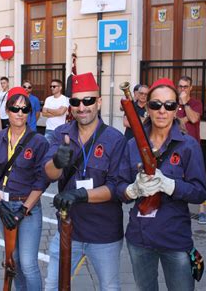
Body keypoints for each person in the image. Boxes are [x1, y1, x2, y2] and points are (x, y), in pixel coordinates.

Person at [117, 77, 206, 291]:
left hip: (174, 238)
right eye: (156, 104)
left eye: (170, 105)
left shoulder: (189, 146)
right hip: (139, 237)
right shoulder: (132, 145)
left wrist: (171, 186)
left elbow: (200, 193)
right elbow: (118, 187)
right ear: (147, 107)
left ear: (177, 109)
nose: (162, 110)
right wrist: (132, 190)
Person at [44, 72, 126, 290]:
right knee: (52, 286)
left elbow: (116, 187)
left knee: (109, 287)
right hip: (69, 230)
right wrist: (57, 161)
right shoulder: (61, 134)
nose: (82, 107)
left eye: (88, 100)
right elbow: (50, 174)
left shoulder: (115, 139)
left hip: (104, 234)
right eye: (76, 101)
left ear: (98, 102)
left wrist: (81, 194)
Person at [0, 86, 49, 290]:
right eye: (14, 108)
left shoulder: (38, 141)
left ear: (29, 112)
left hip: (27, 208)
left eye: (24, 108)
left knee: (28, 264)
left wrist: (24, 209)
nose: (19, 113)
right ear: (7, 110)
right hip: (2, 206)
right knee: (15, 260)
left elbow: (42, 180)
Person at [175, 76, 206, 224]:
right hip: (176, 146)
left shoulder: (195, 103)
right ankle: (180, 210)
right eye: (180, 86)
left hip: (193, 146)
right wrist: (183, 117)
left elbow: (193, 119)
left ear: (191, 88)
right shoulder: (173, 103)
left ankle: (201, 211)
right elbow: (175, 121)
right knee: (179, 177)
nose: (182, 89)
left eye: (185, 86)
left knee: (197, 177)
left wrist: (186, 104)